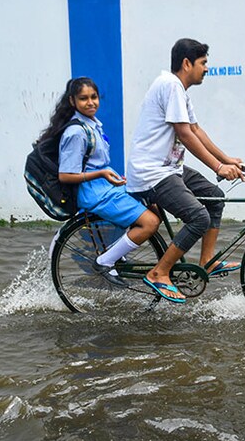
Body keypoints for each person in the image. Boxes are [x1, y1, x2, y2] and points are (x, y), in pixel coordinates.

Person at [126, 38, 244, 303]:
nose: (206, 69)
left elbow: (195, 130)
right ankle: (160, 272)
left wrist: (227, 159)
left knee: (215, 197)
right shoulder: (170, 86)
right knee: (198, 218)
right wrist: (218, 166)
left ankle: (207, 261)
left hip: (170, 168)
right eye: (203, 63)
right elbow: (184, 134)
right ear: (187, 63)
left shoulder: (179, 90)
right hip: (152, 173)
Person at [42, 77, 160, 286]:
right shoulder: (76, 132)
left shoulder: (93, 126)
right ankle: (106, 260)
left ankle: (116, 251)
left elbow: (97, 165)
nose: (90, 103)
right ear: (72, 101)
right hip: (93, 192)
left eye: (94, 97)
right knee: (150, 222)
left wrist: (114, 177)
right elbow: (66, 175)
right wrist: (102, 174)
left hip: (105, 186)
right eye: (83, 98)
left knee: (155, 202)